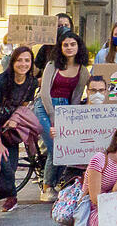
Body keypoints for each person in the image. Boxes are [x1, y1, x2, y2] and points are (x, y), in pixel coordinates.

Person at [36, 30, 90, 201]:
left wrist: (70, 120)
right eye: (65, 44)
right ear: (60, 47)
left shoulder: (83, 71)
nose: (69, 47)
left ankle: (58, 182)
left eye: (72, 44)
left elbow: (76, 97)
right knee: (56, 147)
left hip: (66, 109)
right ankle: (47, 186)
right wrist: (52, 115)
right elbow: (44, 92)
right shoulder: (52, 65)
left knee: (65, 148)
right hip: (45, 107)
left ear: (78, 46)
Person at [0, 46, 38, 212]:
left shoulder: (31, 82)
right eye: (19, 60)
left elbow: (23, 106)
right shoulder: (0, 82)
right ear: (12, 62)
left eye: (27, 60)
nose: (23, 64)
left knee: (12, 164)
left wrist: (15, 120)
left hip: (11, 128)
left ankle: (12, 198)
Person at [34, 13, 74, 79]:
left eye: (66, 25)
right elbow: (35, 72)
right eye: (59, 26)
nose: (63, 28)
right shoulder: (46, 48)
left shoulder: (76, 48)